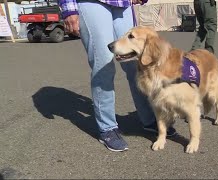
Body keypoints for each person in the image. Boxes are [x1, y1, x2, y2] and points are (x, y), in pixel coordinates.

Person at [58, 0, 176, 152]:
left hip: (123, 4)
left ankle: (150, 120)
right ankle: (107, 128)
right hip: (92, 3)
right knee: (104, 65)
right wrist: (69, 10)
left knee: (137, 63)